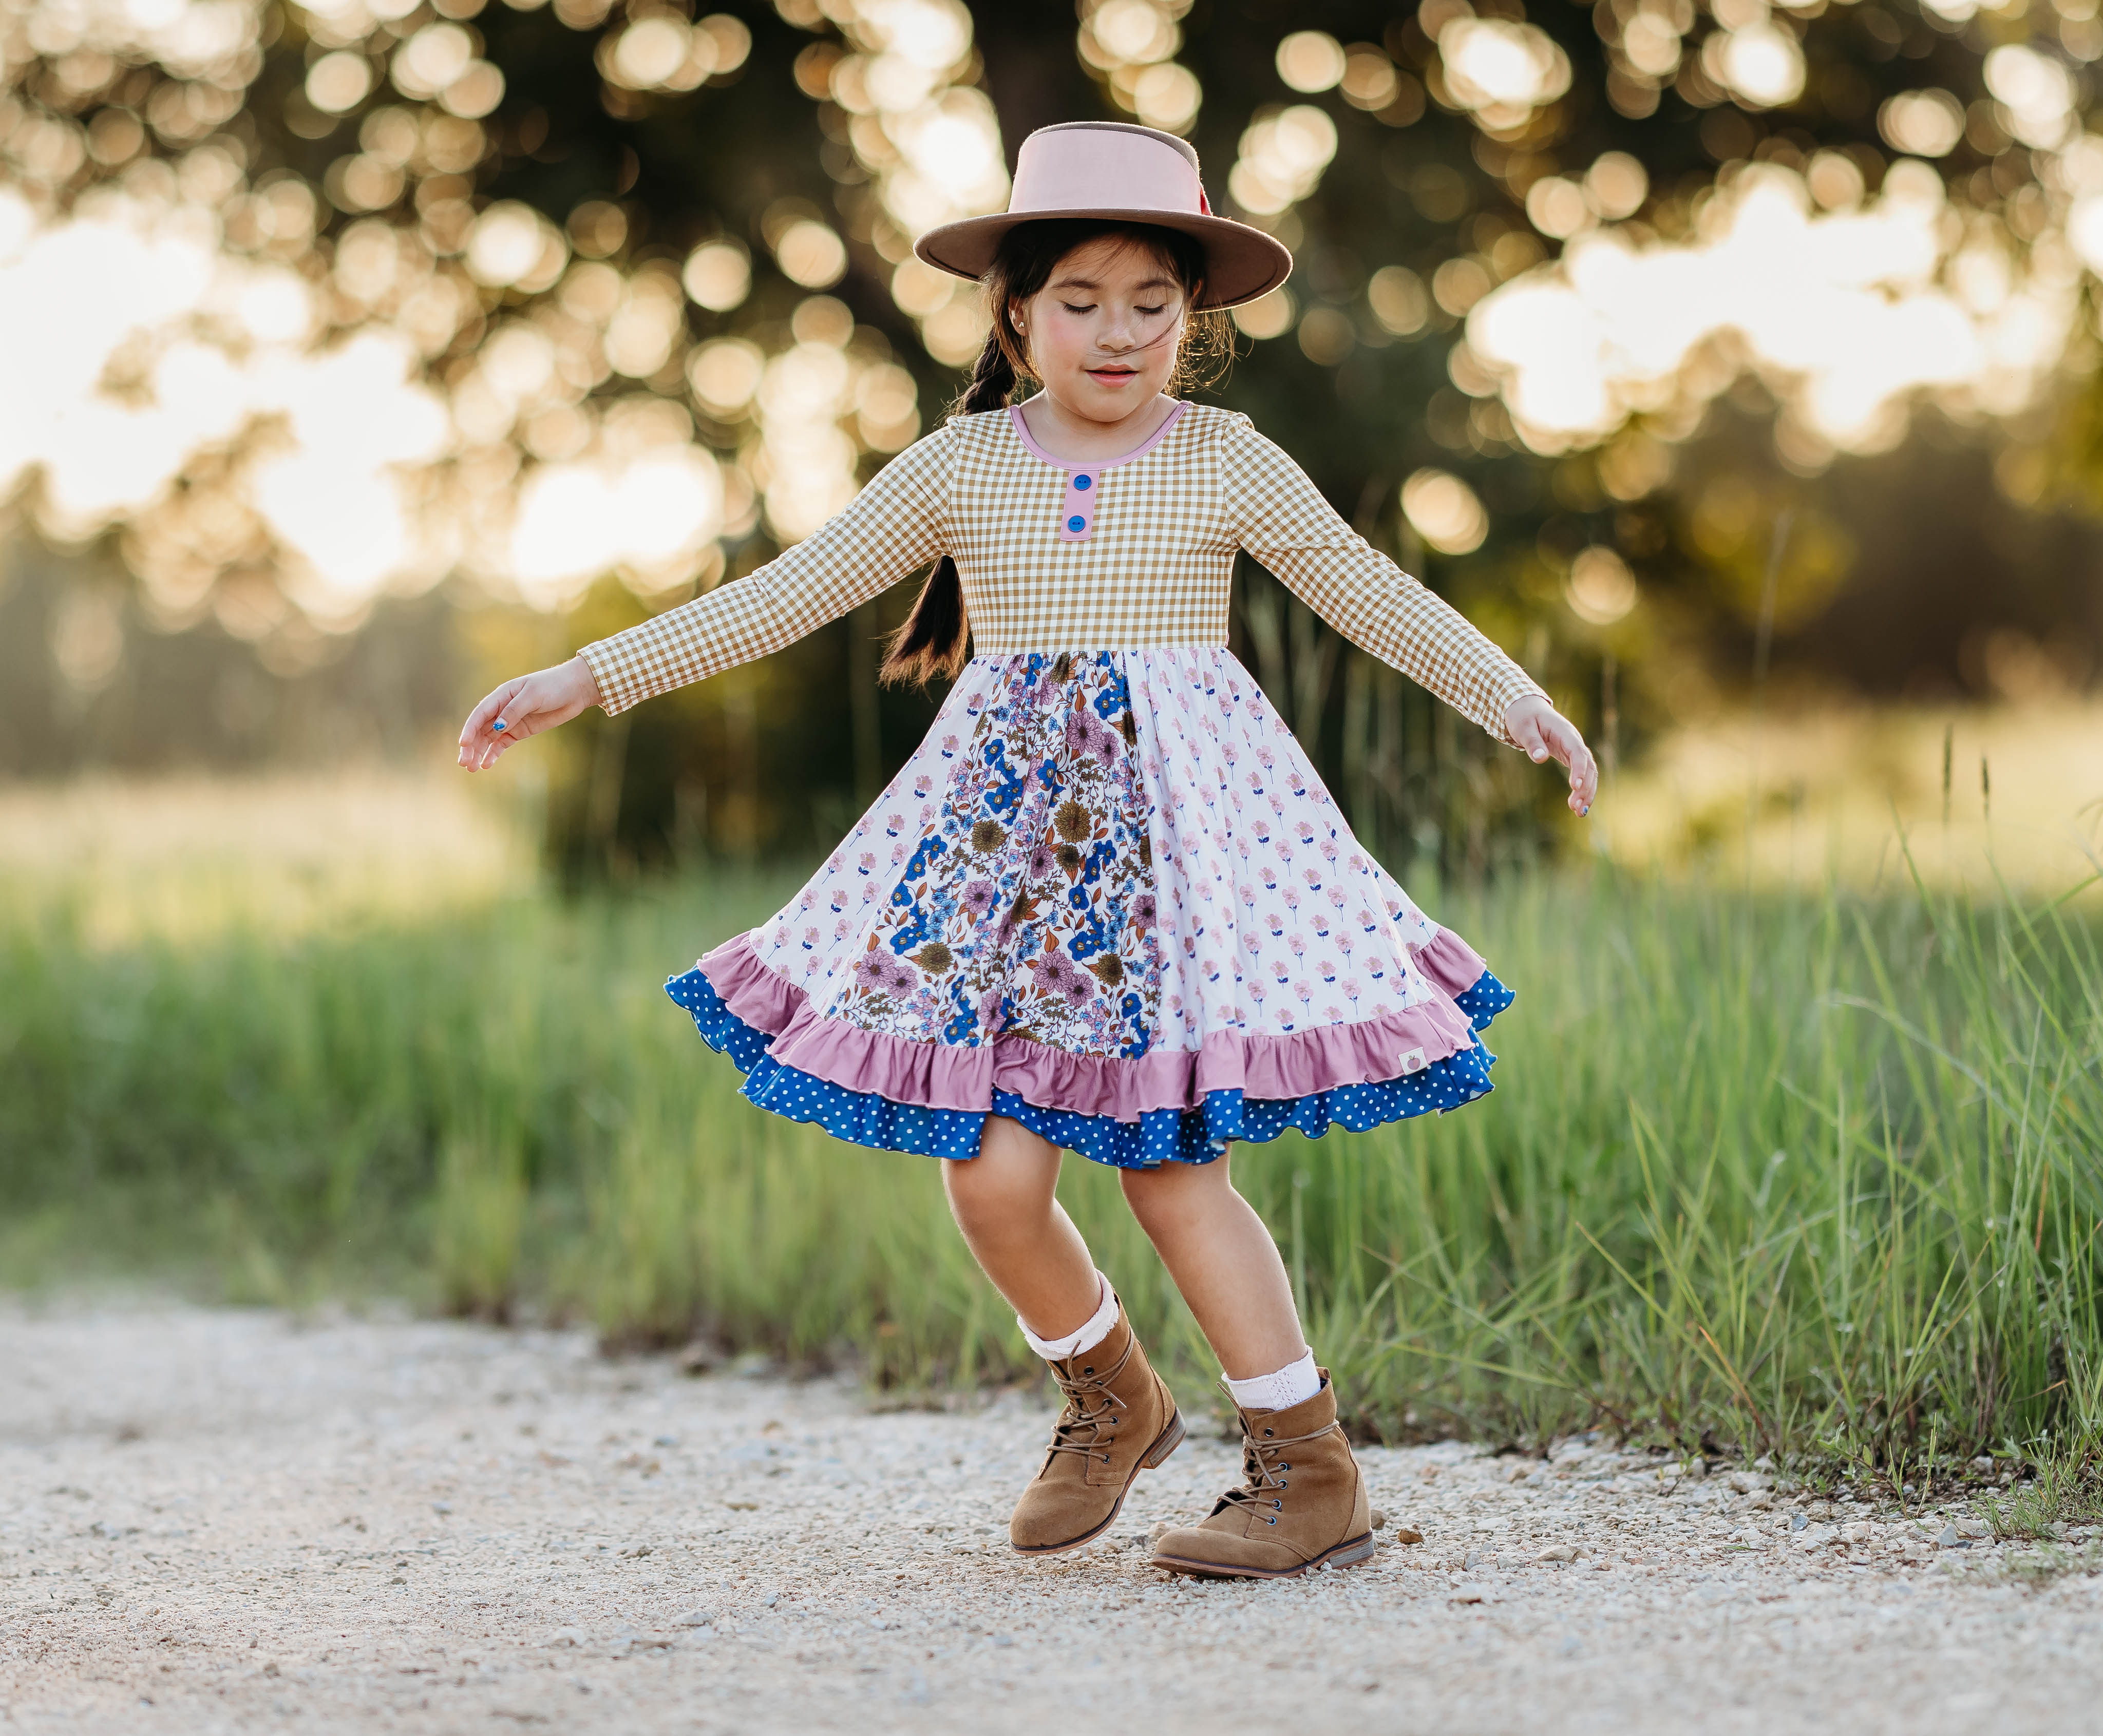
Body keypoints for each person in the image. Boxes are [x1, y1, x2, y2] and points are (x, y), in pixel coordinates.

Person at [459, 121, 1597, 1580]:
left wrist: (1517, 699)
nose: (1117, 333)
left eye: (1151, 304)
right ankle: (1111, 1395)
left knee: (1172, 1172)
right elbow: (786, 596)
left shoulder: (1228, 461)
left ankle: (1308, 1467)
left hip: (1164, 877)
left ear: (1196, 320)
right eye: (1080, 300)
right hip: (998, 874)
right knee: (991, 1177)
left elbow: (1369, 595)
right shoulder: (963, 469)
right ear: (1016, 315)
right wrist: (587, 676)